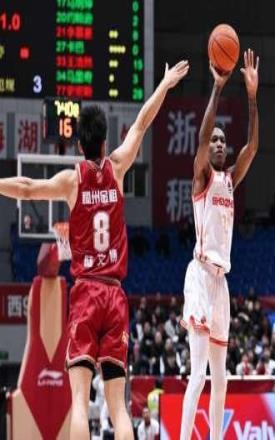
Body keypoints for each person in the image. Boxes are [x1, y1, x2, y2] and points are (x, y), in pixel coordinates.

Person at [0, 60, 189, 439]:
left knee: (78, 402)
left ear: (79, 144)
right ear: (105, 142)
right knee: (118, 406)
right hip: (115, 295)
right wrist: (165, 85)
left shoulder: (71, 180)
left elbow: (27, 189)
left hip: (86, 293)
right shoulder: (117, 168)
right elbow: (142, 122)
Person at [179, 49, 259, 440]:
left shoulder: (229, 179)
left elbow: (253, 147)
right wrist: (217, 87)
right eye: (214, 140)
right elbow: (201, 134)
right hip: (199, 276)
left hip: (221, 283)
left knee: (221, 378)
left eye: (223, 140)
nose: (219, 144)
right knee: (197, 375)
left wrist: (252, 96)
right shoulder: (202, 177)